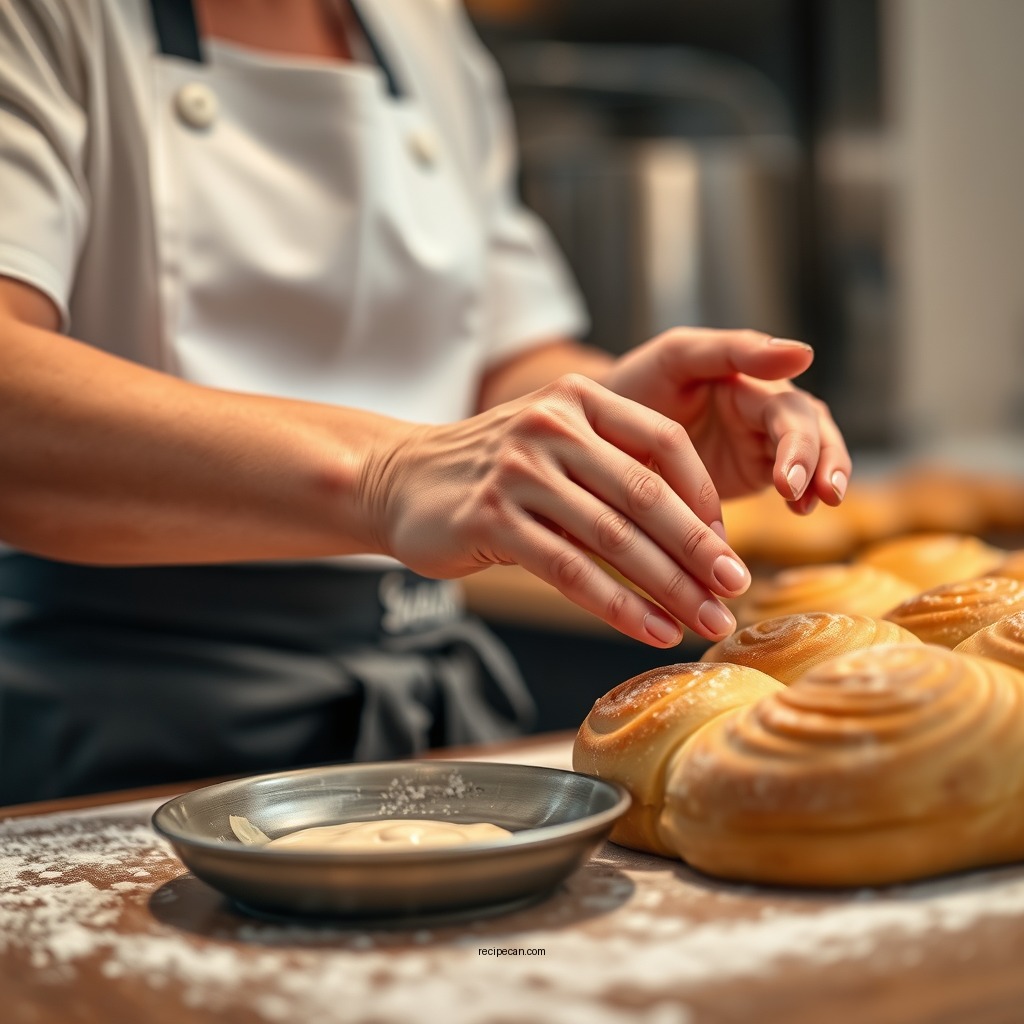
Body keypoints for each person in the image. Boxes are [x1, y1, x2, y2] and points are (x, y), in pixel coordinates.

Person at [0, 0, 850, 804]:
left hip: (420, 698)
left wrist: (617, 429)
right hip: (121, 722)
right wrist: (383, 475)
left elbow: (498, 355)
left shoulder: (420, 23)